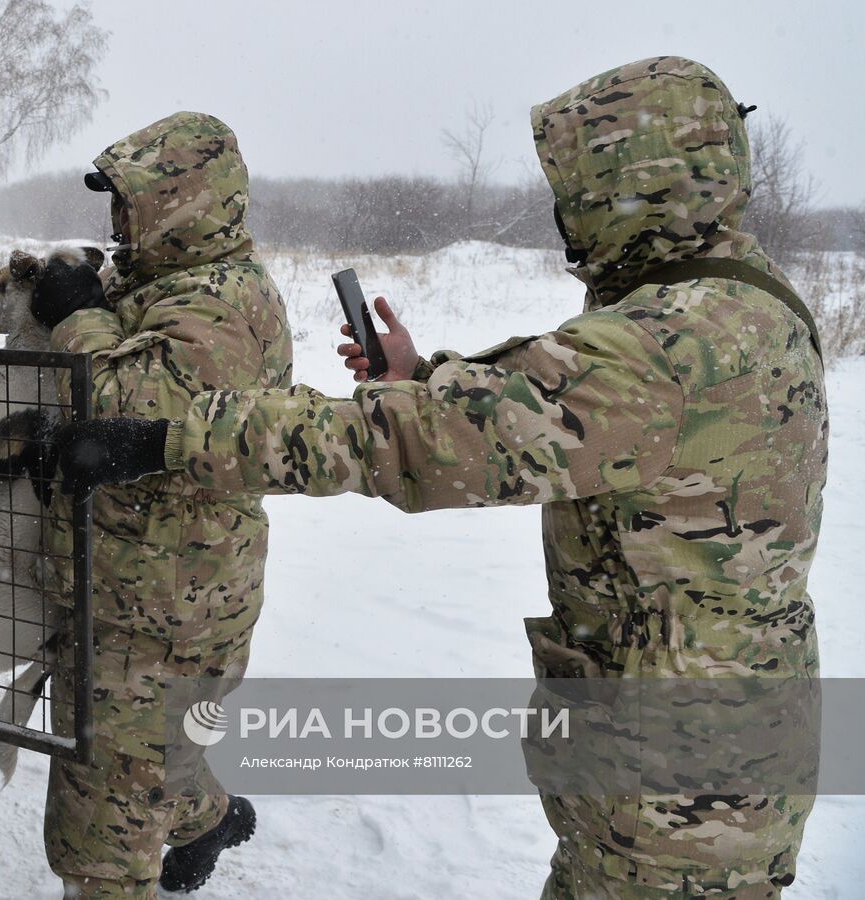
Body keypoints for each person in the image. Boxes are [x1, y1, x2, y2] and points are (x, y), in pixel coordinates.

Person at [51, 57, 827, 898]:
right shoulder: (736, 306)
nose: (566, 210)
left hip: (679, 786)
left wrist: (171, 440)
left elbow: (424, 444)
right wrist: (424, 373)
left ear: (632, 185)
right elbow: (554, 417)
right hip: (711, 739)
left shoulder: (663, 342)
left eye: (578, 185)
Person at [28, 111, 294, 899]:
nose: (115, 225)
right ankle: (205, 817)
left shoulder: (210, 309)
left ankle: (171, 833)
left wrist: (76, 316)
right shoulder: (187, 283)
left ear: (182, 204)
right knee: (160, 756)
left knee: (104, 840)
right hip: (171, 593)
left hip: (155, 612)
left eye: (129, 206)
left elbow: (124, 416)